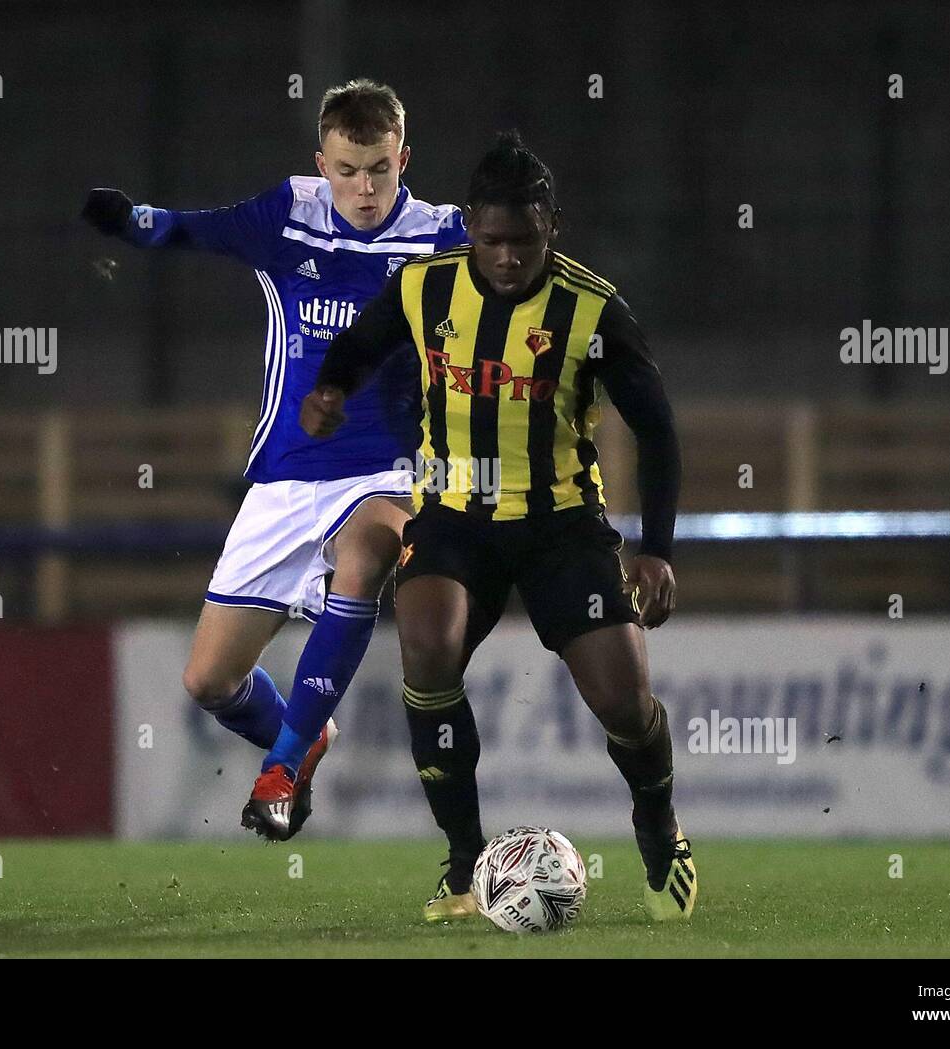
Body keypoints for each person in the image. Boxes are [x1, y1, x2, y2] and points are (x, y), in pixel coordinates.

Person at [300, 132, 696, 921]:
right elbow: (360, 343)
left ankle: (658, 825)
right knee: (427, 645)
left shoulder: (592, 309)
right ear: (469, 227)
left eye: (525, 239)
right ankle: (462, 860)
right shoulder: (424, 288)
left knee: (625, 703)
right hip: (454, 518)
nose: (508, 256)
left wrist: (655, 548)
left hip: (562, 529)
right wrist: (332, 388)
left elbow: (657, 430)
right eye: (492, 240)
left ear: (553, 226)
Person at [82, 80, 468, 840]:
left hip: (387, 467)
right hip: (288, 475)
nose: (365, 187)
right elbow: (193, 230)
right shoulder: (286, 216)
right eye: (349, 169)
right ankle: (306, 735)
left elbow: (514, 289)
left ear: (405, 159)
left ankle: (283, 767)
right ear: (321, 162)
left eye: (381, 169)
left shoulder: (441, 235)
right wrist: (130, 221)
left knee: (365, 560)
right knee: (209, 679)